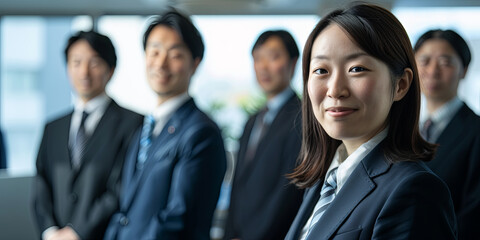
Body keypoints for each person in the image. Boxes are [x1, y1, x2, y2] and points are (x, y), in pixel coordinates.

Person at [285, 3, 457, 239]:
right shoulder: (324, 181)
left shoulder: (414, 190)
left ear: (401, 85)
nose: (335, 90)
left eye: (356, 69)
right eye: (321, 70)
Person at [103, 10, 226, 240]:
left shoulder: (201, 133)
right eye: (154, 51)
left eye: (175, 54)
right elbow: (125, 210)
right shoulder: (143, 128)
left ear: (195, 63)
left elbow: (178, 219)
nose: (160, 63)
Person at [33, 31, 143, 240]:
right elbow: (41, 184)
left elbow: (122, 187)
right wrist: (50, 232)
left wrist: (77, 232)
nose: (84, 72)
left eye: (94, 63)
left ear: (110, 70)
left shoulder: (133, 123)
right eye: (76, 62)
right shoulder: (52, 128)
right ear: (67, 68)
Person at [224, 30, 303, 240]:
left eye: (274, 57)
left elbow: (287, 192)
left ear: (293, 63)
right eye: (258, 59)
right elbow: (238, 186)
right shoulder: (252, 121)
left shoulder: (302, 119)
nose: (264, 67)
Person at [414, 29, 480, 239]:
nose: (432, 71)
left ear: (464, 70)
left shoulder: (476, 131)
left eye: (445, 62)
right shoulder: (402, 127)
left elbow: (475, 210)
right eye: (424, 61)